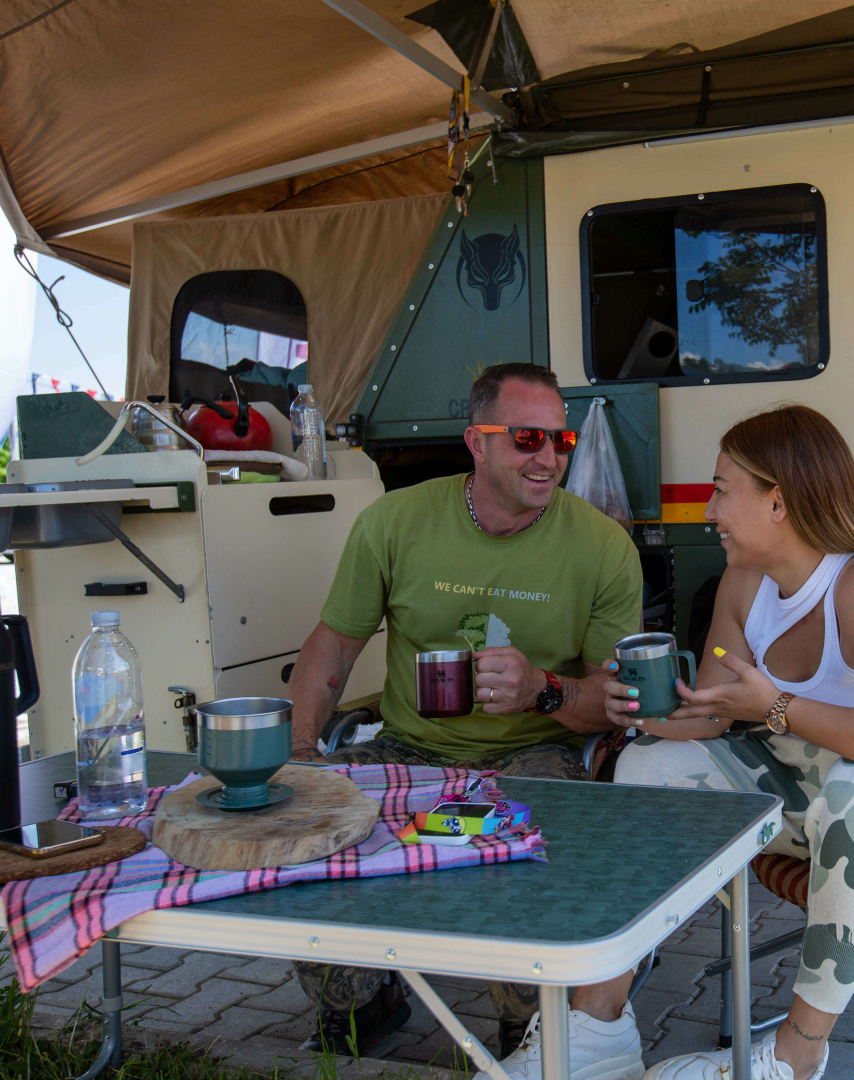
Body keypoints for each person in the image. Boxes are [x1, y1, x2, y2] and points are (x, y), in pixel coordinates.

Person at [503, 404, 854, 1080]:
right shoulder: (744, 583)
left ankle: (797, 1054)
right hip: (802, 784)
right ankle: (597, 1026)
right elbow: (710, 716)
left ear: (778, 501)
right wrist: (641, 715)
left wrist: (777, 707)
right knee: (650, 766)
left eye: (721, 490)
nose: (709, 510)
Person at [285, 362, 645, 1073]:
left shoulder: (603, 545)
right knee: (308, 823)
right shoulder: (395, 521)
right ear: (477, 443)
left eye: (562, 439)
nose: (549, 457)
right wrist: (300, 750)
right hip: (409, 746)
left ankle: (526, 1028)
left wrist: (544, 690)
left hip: (535, 754)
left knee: (525, 857)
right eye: (527, 438)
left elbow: (616, 699)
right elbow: (334, 644)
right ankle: (362, 999)